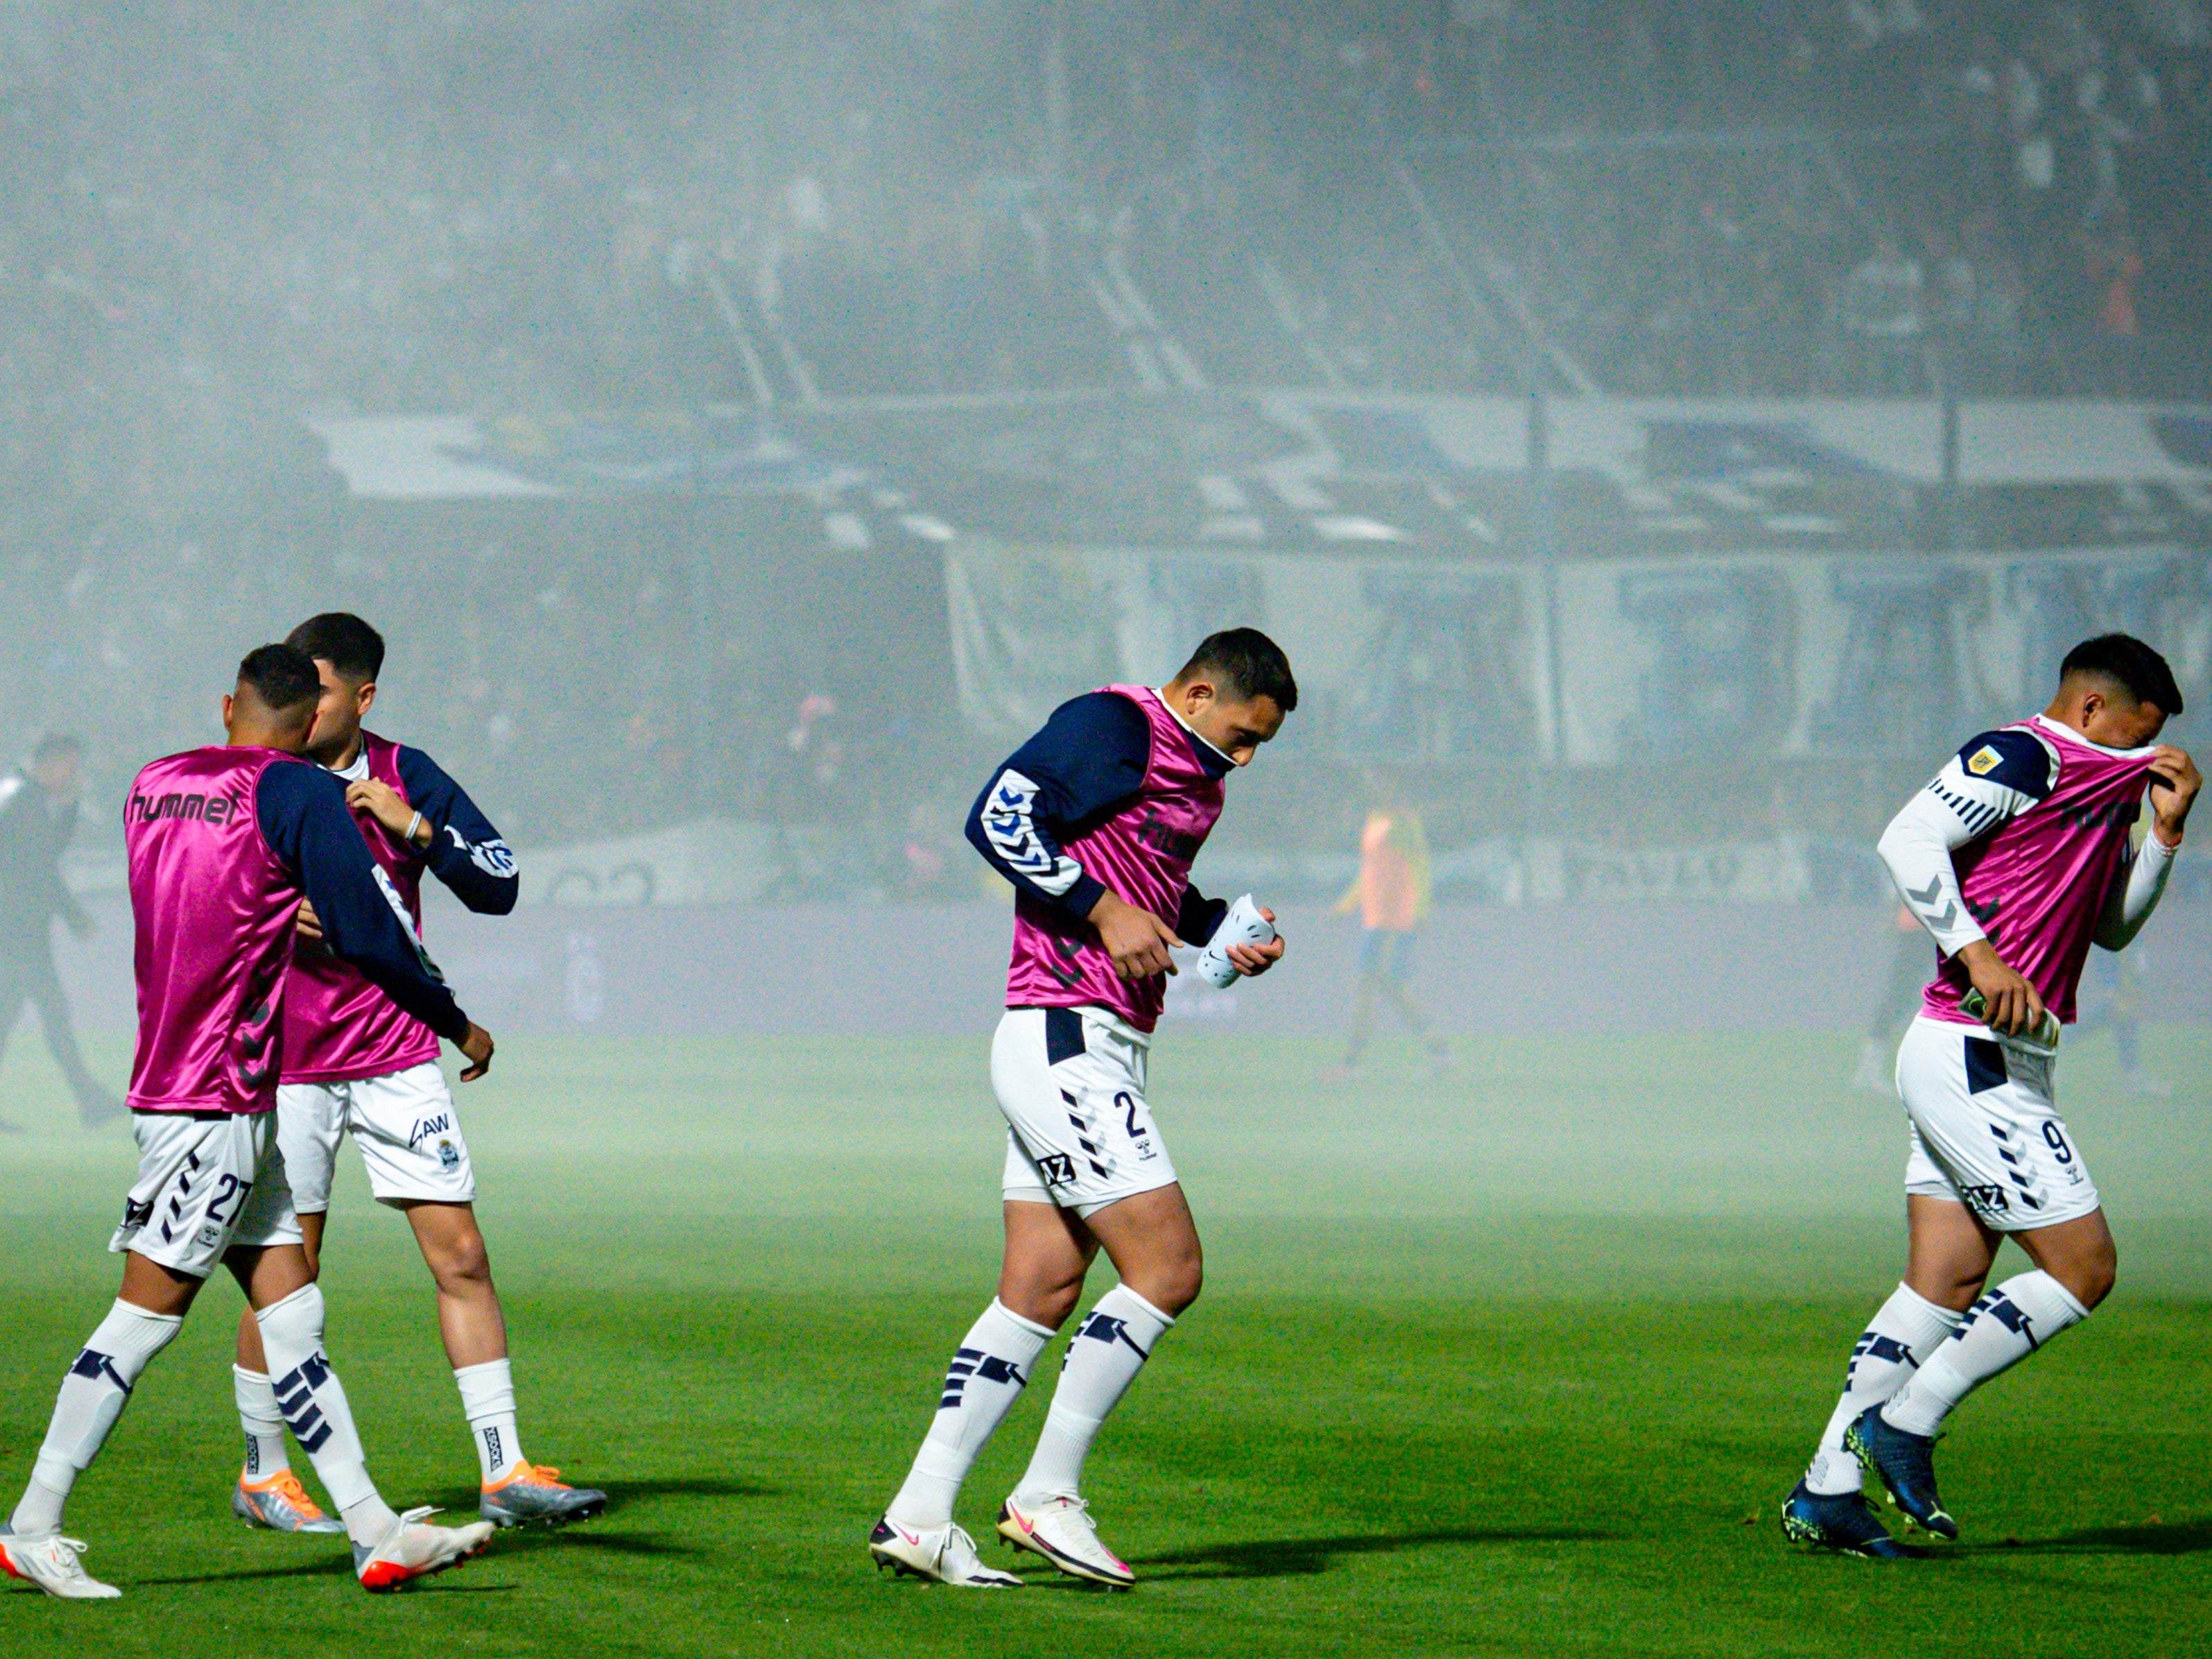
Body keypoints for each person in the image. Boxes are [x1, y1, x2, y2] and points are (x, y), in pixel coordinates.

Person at [0, 645, 499, 1599]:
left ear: (228, 704)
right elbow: (367, 935)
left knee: (293, 1313)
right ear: (313, 721)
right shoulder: (301, 795)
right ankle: (33, 1523)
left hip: (196, 1078)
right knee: (146, 1317)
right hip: (214, 1099)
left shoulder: (153, 783)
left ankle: (375, 1530)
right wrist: (452, 1022)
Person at [867, 629, 1295, 1590]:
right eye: (1240, 732)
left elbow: (1144, 879)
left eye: (1260, 743)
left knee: (1041, 1291)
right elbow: (996, 818)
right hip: (1066, 1032)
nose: (1246, 756)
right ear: (1194, 691)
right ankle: (1047, 1495)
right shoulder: (1113, 724)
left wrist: (1217, 926)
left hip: (1083, 1041)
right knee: (1168, 1268)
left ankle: (919, 1514)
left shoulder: (1190, 774)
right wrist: (1102, 914)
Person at [1781, 634, 2198, 1558]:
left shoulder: (2101, 791)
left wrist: (2163, 834)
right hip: (1972, 1054)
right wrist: (1976, 951)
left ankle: (1827, 1487)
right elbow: (1905, 835)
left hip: (1994, 1056)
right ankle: (1907, 1423)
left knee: (1944, 1283)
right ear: (2092, 709)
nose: (2142, 758)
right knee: (2082, 1266)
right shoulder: (2024, 754)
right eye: (2136, 737)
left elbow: (2114, 931)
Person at [225, 614, 603, 1536]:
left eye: (315, 694)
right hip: (289, 1061)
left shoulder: (405, 773)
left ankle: (504, 1469)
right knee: (289, 1269)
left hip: (395, 1053)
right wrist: (275, 920)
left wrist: (417, 826)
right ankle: (264, 1474)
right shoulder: (255, 781)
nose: (298, 710)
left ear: (362, 697)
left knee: (462, 1256)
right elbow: (199, 903)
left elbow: (500, 883)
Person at [0, 734, 123, 1129]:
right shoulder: (24, 801)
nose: (73, 774)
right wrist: (74, 915)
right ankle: (90, 1100)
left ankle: (90, 1100)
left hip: (21, 932)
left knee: (45, 1017)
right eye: (70, 765)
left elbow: (42, 856)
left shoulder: (20, 796)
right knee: (45, 1018)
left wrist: (69, 809)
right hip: (15, 932)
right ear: (50, 762)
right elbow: (38, 867)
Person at [1327, 776, 1447, 1077]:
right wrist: (1347, 905)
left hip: (1397, 919)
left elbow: (1421, 867)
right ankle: (1437, 1052)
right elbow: (1370, 871)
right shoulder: (1375, 820)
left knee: (1384, 986)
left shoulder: (1404, 823)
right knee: (1377, 986)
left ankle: (1437, 1053)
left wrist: (1421, 911)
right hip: (1377, 918)